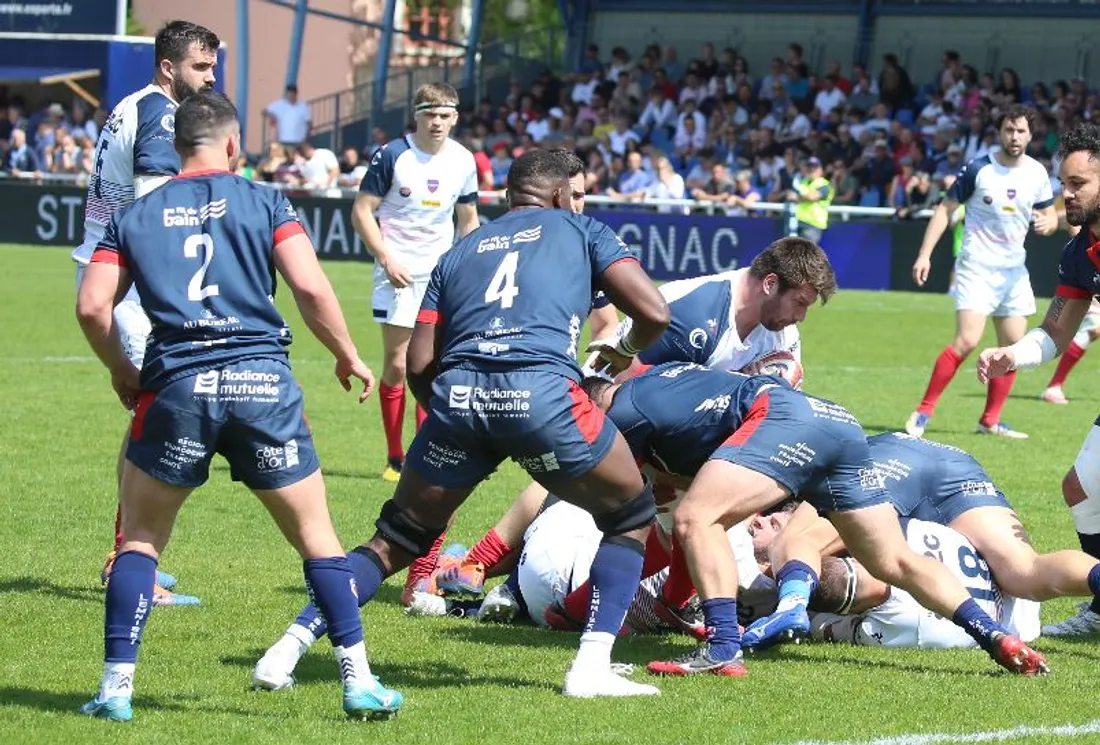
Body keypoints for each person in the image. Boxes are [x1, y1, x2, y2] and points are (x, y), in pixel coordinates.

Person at [253, 149, 672, 699]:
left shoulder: (461, 249)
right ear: (558, 195)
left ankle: (286, 648)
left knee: (394, 541)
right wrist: (621, 351)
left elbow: (419, 364)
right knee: (632, 512)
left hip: (460, 400)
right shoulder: (583, 230)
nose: (582, 201)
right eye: (579, 191)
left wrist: (454, 419)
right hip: (540, 397)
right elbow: (656, 314)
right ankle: (590, 668)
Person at [74, 91, 391, 722]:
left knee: (140, 541)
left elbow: (91, 307)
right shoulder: (267, 199)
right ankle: (358, 682)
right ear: (231, 144)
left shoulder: (135, 215)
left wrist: (121, 370)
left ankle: (115, 692)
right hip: (260, 386)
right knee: (318, 541)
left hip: (176, 387)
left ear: (173, 147)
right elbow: (308, 285)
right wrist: (348, 353)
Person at [582, 363, 1048, 677]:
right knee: (893, 559)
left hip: (781, 419)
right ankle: (994, 635)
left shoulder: (621, 414)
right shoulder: (658, 380)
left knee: (695, 519)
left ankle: (723, 648)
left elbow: (633, 505)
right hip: (836, 422)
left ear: (593, 406)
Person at [435, 237, 831, 598]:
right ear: (770, 284)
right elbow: (632, 388)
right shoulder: (694, 312)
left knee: (696, 508)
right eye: (800, 303)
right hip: (610, 401)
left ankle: (549, 592)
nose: (801, 317)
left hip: (680, 424)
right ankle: (480, 565)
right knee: (589, 477)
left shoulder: (780, 336)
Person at [71, 20, 220, 606]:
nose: (211, 78)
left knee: (152, 419)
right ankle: (128, 563)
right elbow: (161, 211)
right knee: (157, 423)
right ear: (168, 67)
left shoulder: (132, 104)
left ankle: (131, 557)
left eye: (212, 66)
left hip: (110, 275)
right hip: (127, 287)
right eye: (200, 67)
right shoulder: (161, 115)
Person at [747, 431, 1100, 647]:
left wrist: (787, 596)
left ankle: (788, 609)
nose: (757, 526)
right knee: (1026, 571)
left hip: (882, 461)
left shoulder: (787, 506)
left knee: (796, 542)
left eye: (759, 524)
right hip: (951, 463)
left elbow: (792, 543)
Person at [979, 123, 1100, 635]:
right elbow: (1055, 330)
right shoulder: (1079, 251)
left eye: (1077, 184)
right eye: (1062, 183)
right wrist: (1013, 354)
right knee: (1081, 490)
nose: (1064, 195)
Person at [351, 82, 481, 486]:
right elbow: (361, 212)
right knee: (397, 362)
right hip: (397, 272)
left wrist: (462, 264)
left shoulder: (463, 160)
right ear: (417, 115)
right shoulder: (393, 155)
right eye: (430, 114)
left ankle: (424, 452)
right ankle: (394, 455)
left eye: (445, 115)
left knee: (430, 365)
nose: (437, 122)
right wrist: (387, 258)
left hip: (439, 274)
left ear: (455, 117)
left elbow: (468, 220)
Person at [906, 105, 1058, 440]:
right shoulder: (978, 169)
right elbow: (945, 210)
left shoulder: (1037, 174)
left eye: (1020, 131)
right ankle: (923, 412)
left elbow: (1048, 217)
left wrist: (1051, 223)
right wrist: (925, 254)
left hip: (1014, 271)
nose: (1014, 137)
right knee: (968, 340)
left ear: (1031, 135)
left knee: (1013, 347)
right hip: (976, 265)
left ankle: (989, 421)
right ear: (999, 132)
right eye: (1008, 130)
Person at [747, 512, 1041, 650]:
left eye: (774, 520)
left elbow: (824, 621)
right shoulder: (887, 530)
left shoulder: (898, 621)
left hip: (1018, 612)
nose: (760, 520)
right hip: (1018, 596)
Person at [787, 156, 834, 243]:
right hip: (799, 222)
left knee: (807, 253)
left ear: (820, 170)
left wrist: (797, 197)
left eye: (815, 167)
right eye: (809, 167)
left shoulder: (824, 184)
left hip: (813, 225)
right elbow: (791, 196)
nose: (811, 169)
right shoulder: (803, 182)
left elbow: (813, 197)